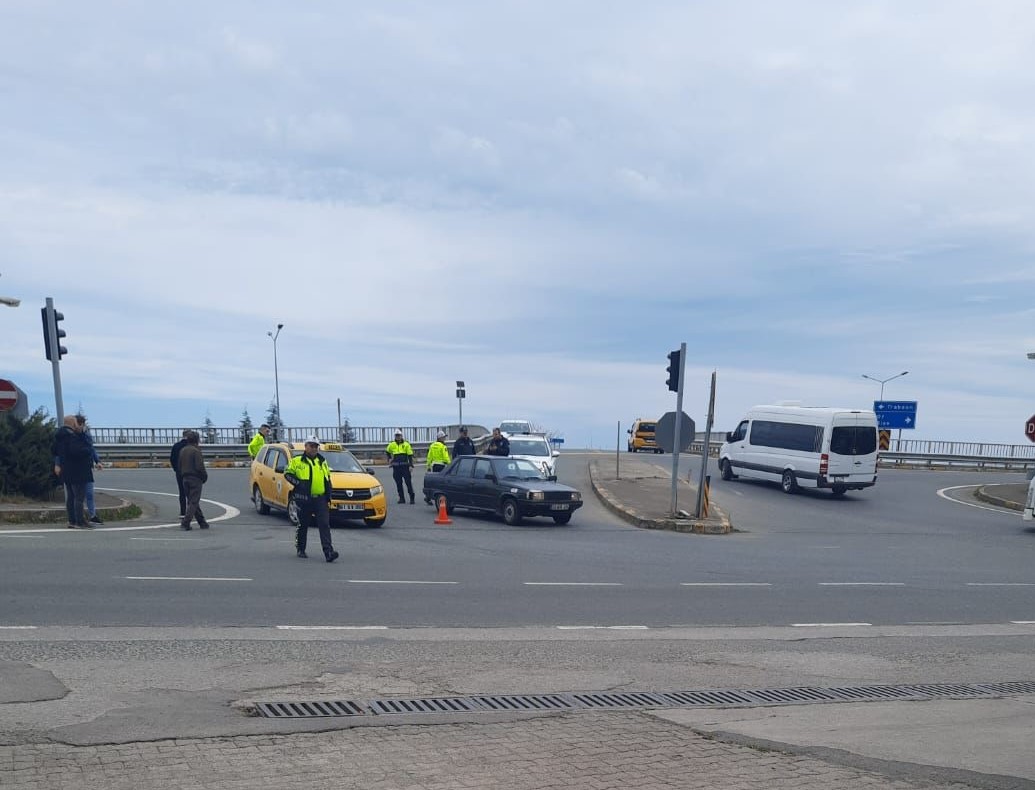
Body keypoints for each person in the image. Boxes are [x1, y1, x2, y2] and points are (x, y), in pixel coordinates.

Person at [284, 437, 338, 562]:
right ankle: (301, 548)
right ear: (306, 446)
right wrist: (299, 483)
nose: (314, 448)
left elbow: (327, 479)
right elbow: (287, 473)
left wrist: (328, 495)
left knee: (324, 525)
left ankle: (328, 552)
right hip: (304, 499)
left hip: (320, 499)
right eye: (311, 446)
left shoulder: (322, 461)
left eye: (316, 446)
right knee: (303, 525)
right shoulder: (297, 461)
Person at [52, 415, 94, 529]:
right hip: (78, 471)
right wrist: (86, 447)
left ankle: (71, 520)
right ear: (73, 423)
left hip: (66, 470)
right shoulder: (72, 437)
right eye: (75, 422)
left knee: (71, 496)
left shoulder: (59, 436)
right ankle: (79, 521)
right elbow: (78, 451)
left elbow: (54, 451)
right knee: (79, 497)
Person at [178, 431, 210, 531]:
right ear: (197, 440)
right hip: (195, 478)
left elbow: (179, 465)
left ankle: (202, 522)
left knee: (192, 501)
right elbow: (200, 467)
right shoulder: (196, 451)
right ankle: (185, 523)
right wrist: (204, 477)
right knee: (193, 501)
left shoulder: (183, 450)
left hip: (184, 478)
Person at [75, 415, 104, 524]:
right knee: (78, 495)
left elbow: (91, 448)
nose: (81, 426)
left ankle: (92, 515)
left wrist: (97, 461)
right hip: (77, 468)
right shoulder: (72, 435)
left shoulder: (86, 435)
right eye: (80, 424)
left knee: (89, 493)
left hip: (87, 468)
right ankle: (78, 518)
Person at [385, 429, 415, 504]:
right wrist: (389, 459)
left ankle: (412, 498)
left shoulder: (406, 444)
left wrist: (411, 465)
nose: (398, 437)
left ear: (401, 436)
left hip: (405, 467)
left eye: (399, 435)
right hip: (396, 467)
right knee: (399, 483)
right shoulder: (392, 444)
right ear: (395, 436)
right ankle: (402, 498)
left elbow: (410, 455)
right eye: (396, 436)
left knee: (408, 483)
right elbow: (387, 451)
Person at [424, 431, 452, 504]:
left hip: (434, 466)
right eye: (444, 437)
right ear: (440, 438)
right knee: (441, 483)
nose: (444, 439)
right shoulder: (443, 446)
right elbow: (445, 457)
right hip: (442, 466)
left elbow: (429, 456)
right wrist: (450, 465)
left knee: (434, 482)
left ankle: (428, 497)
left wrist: (428, 466)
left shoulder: (432, 445)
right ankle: (440, 497)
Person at [170, 429, 190, 518]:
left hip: (179, 471)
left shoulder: (176, 446)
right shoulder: (191, 446)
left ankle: (182, 512)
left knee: (182, 492)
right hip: (190, 472)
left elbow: (172, 459)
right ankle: (191, 511)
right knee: (191, 492)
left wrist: (176, 469)